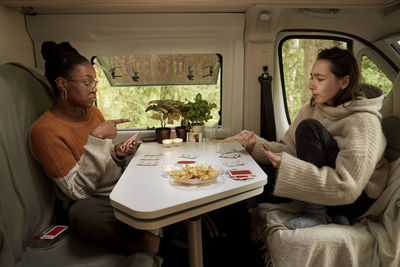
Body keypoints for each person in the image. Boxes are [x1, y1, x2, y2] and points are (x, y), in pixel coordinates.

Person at [224, 47, 389, 229]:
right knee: (250, 180)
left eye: (320, 79)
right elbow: (290, 150)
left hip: (355, 198)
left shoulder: (364, 122)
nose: (311, 85)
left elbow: (348, 187)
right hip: (326, 188)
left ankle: (317, 213)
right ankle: (333, 214)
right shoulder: (312, 107)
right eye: (312, 77)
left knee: (309, 127)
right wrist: (254, 145)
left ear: (344, 82)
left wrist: (288, 166)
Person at [30, 41, 162, 265]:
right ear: (62, 84)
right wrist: (97, 139)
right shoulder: (45, 130)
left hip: (115, 189)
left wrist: (117, 155)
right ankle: (150, 243)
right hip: (90, 201)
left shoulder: (92, 113)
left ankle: (152, 237)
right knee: (80, 213)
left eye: (94, 81)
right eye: (86, 82)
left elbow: (102, 162)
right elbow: (77, 191)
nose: (93, 88)